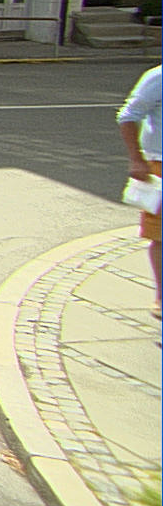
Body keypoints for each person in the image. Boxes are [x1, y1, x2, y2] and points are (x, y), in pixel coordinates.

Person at [116, 65, 161, 318]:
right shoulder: (158, 77)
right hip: (161, 164)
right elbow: (128, 116)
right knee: (161, 236)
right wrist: (136, 159)